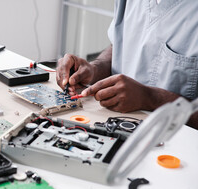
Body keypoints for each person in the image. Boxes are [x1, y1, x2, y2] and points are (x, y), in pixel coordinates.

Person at [56, 0, 198, 129]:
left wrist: (149, 98)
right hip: (116, 126)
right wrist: (94, 68)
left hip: (174, 144)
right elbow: (121, 45)